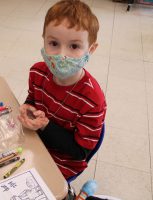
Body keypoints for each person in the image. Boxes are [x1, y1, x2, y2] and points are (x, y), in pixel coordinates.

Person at [18, 0, 107, 180]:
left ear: (91, 49)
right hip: (34, 141)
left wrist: (45, 125)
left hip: (63, 161)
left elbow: (79, 152)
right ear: (44, 40)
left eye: (74, 46)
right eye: (54, 43)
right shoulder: (37, 72)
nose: (61, 55)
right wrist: (28, 106)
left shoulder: (92, 99)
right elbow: (33, 98)